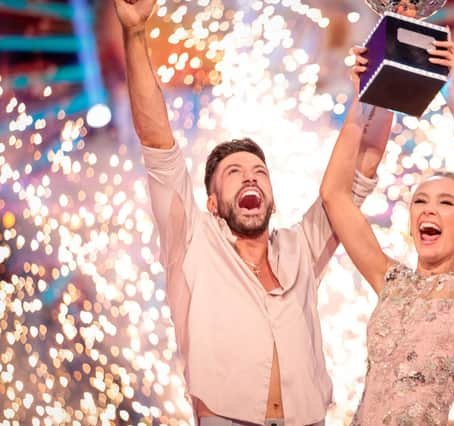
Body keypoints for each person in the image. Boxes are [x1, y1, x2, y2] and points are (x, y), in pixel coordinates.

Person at [112, 1, 393, 425]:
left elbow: (362, 170)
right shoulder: (192, 243)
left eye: (259, 172)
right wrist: (135, 33)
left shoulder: (300, 247)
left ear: (272, 198)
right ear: (211, 202)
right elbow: (156, 141)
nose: (250, 179)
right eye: (234, 173)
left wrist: (379, 86)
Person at [320, 39, 454, 424]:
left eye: (446, 202)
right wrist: (362, 101)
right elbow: (334, 196)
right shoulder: (392, 282)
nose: (429, 209)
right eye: (420, 201)